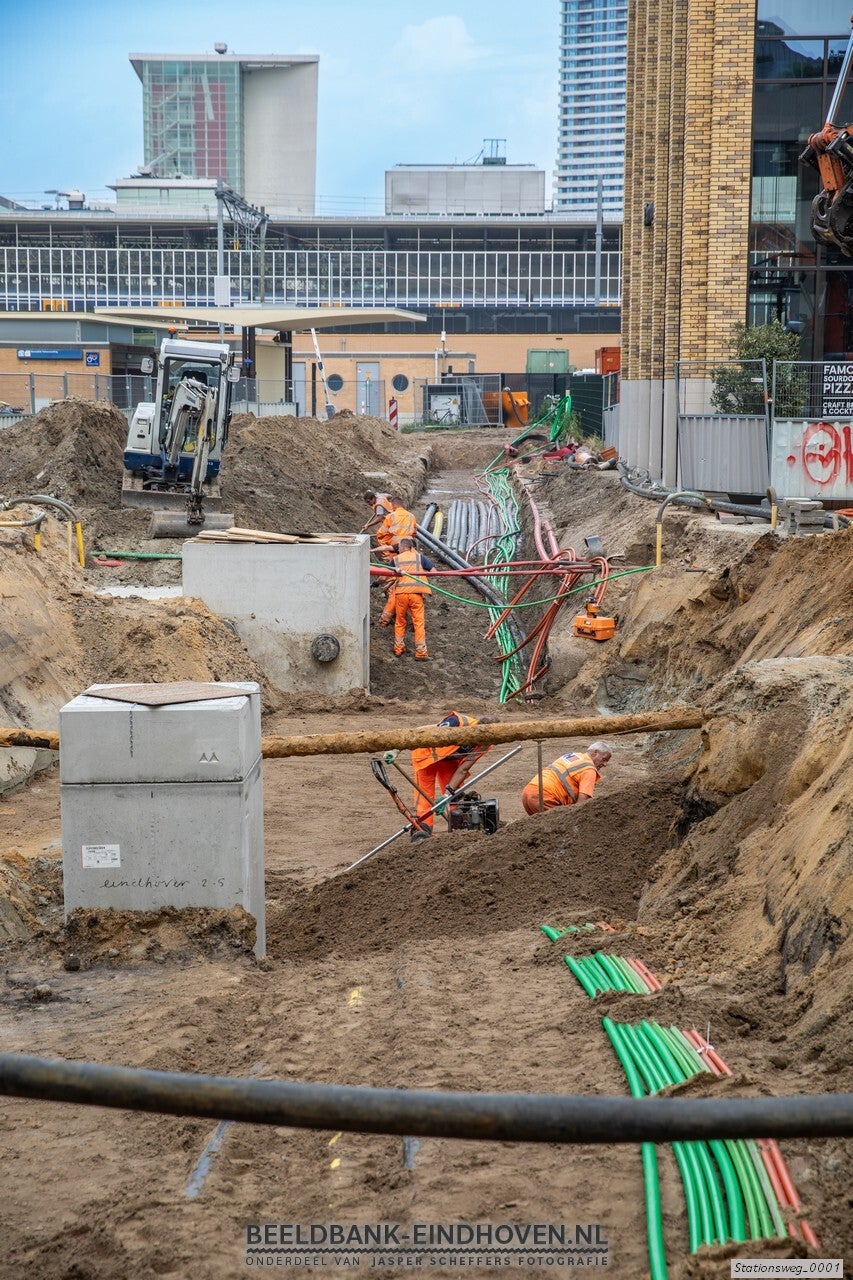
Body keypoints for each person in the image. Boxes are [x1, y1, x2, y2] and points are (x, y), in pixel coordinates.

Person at [410, 713, 498, 839]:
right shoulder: (457, 722)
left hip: (449, 760)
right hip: (426, 756)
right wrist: (397, 748)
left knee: (455, 794)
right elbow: (426, 731)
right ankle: (423, 830)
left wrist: (446, 795)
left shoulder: (487, 742)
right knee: (424, 795)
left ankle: (458, 830)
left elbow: (463, 768)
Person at [521, 741, 612, 815]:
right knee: (558, 830)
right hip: (546, 797)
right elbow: (582, 804)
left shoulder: (574, 756)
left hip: (528, 792)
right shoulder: (589, 770)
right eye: (604, 759)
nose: (605, 764)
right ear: (594, 753)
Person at [391, 537, 434, 659]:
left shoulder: (395, 560)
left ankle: (398, 649)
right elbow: (433, 571)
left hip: (401, 595)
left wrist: (377, 583)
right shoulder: (419, 557)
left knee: (400, 621)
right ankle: (421, 652)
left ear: (404, 547)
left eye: (399, 547)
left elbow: (385, 576)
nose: (398, 549)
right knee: (419, 623)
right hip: (416, 594)